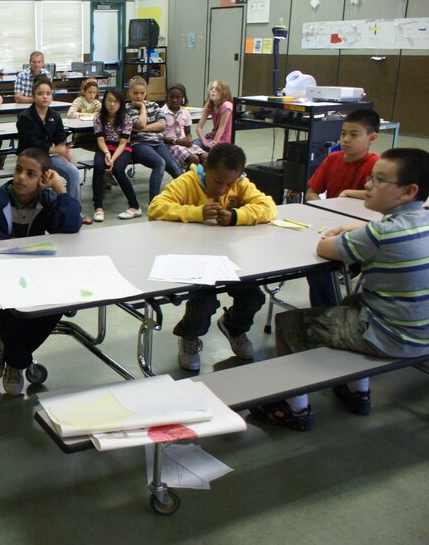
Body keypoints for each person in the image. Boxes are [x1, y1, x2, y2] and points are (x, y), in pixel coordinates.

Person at [250, 148, 429, 431]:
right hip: (422, 330)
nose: (368, 184)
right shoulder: (418, 222)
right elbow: (382, 231)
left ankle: (294, 408)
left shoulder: (380, 234)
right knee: (351, 302)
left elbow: (325, 248)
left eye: (380, 180)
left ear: (408, 191)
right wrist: (357, 228)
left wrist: (343, 233)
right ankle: (358, 392)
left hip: (395, 337)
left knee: (287, 324)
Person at [148, 143, 277, 371]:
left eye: (230, 184)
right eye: (218, 181)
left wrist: (237, 216)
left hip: (230, 259)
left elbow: (268, 207)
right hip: (194, 259)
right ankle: (189, 337)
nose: (224, 189)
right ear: (205, 167)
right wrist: (195, 212)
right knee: (204, 303)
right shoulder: (187, 182)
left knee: (253, 297)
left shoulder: (240, 184)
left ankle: (234, 327)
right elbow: (156, 208)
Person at [0, 147, 82, 395]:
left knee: (58, 306)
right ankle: (17, 362)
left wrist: (60, 189)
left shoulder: (46, 200)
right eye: (18, 170)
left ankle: (9, 352)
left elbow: (69, 229)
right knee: (13, 312)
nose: (21, 177)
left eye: (30, 173)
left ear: (44, 177)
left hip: (34, 274)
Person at [304, 108, 382, 306]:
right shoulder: (332, 159)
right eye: (343, 133)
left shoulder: (377, 165)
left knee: (320, 268)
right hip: (328, 227)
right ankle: (327, 311)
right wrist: (323, 210)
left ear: (372, 138)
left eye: (354, 135)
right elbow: (311, 193)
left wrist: (350, 192)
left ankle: (329, 313)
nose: (345, 139)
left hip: (359, 231)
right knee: (313, 261)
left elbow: (383, 194)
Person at [16, 77, 89, 224]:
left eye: (48, 93)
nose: (45, 96)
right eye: (40, 93)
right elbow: (32, 142)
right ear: (34, 96)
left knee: (73, 172)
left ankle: (75, 213)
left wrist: (64, 149)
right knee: (44, 179)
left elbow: (60, 136)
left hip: (50, 156)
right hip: (30, 158)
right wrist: (55, 149)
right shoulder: (25, 117)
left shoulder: (54, 116)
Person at [127, 76, 183, 202]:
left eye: (142, 93)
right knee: (159, 163)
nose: (139, 96)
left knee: (175, 168)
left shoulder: (154, 105)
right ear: (130, 92)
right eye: (136, 93)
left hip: (157, 142)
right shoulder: (127, 108)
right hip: (139, 144)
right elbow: (139, 123)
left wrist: (142, 129)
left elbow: (162, 124)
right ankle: (154, 202)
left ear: (146, 92)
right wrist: (142, 108)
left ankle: (188, 195)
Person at [91, 88, 143, 222]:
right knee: (98, 166)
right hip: (105, 147)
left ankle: (134, 206)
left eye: (115, 101)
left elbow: (123, 143)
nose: (112, 104)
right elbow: (100, 140)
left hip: (122, 148)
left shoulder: (126, 119)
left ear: (121, 103)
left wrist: (112, 160)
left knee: (118, 169)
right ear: (104, 102)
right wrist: (107, 153)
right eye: (108, 100)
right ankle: (98, 207)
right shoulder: (98, 118)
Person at [161, 83, 206, 171]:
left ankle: (201, 181)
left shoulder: (185, 112)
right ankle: (187, 181)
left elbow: (188, 132)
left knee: (205, 157)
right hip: (170, 144)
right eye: (172, 97)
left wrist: (189, 139)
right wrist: (176, 141)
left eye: (178, 97)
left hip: (183, 142)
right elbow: (158, 136)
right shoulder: (161, 112)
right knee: (194, 159)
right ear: (167, 97)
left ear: (183, 98)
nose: (174, 100)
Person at [195, 80, 233, 149]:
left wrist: (213, 144)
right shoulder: (210, 105)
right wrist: (205, 142)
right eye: (212, 88)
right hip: (211, 136)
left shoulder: (226, 105)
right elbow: (198, 128)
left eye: (217, 89)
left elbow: (221, 128)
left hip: (223, 139)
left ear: (224, 93)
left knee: (201, 150)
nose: (213, 90)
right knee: (193, 146)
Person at [67, 78, 102, 152]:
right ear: (84, 92)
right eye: (90, 92)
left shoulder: (96, 103)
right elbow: (70, 114)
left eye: (94, 93)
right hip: (80, 134)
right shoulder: (79, 101)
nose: (92, 95)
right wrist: (90, 115)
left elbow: (104, 113)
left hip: (93, 133)